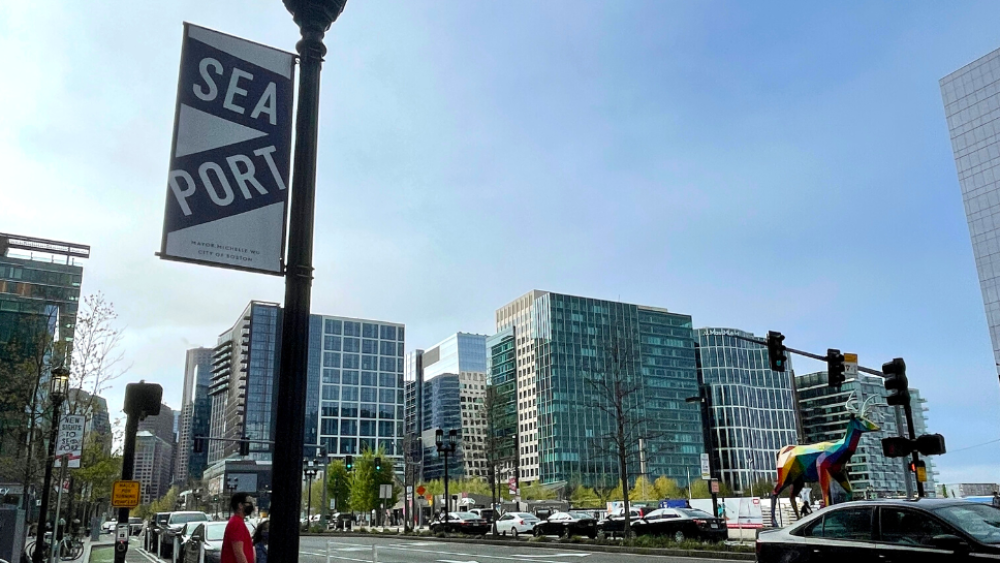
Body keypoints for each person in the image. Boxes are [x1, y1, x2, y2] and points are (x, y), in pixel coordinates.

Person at [222, 493, 255, 563]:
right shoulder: (236, 523)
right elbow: (238, 552)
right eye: (248, 503)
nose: (250, 505)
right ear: (240, 505)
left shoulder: (238, 522)